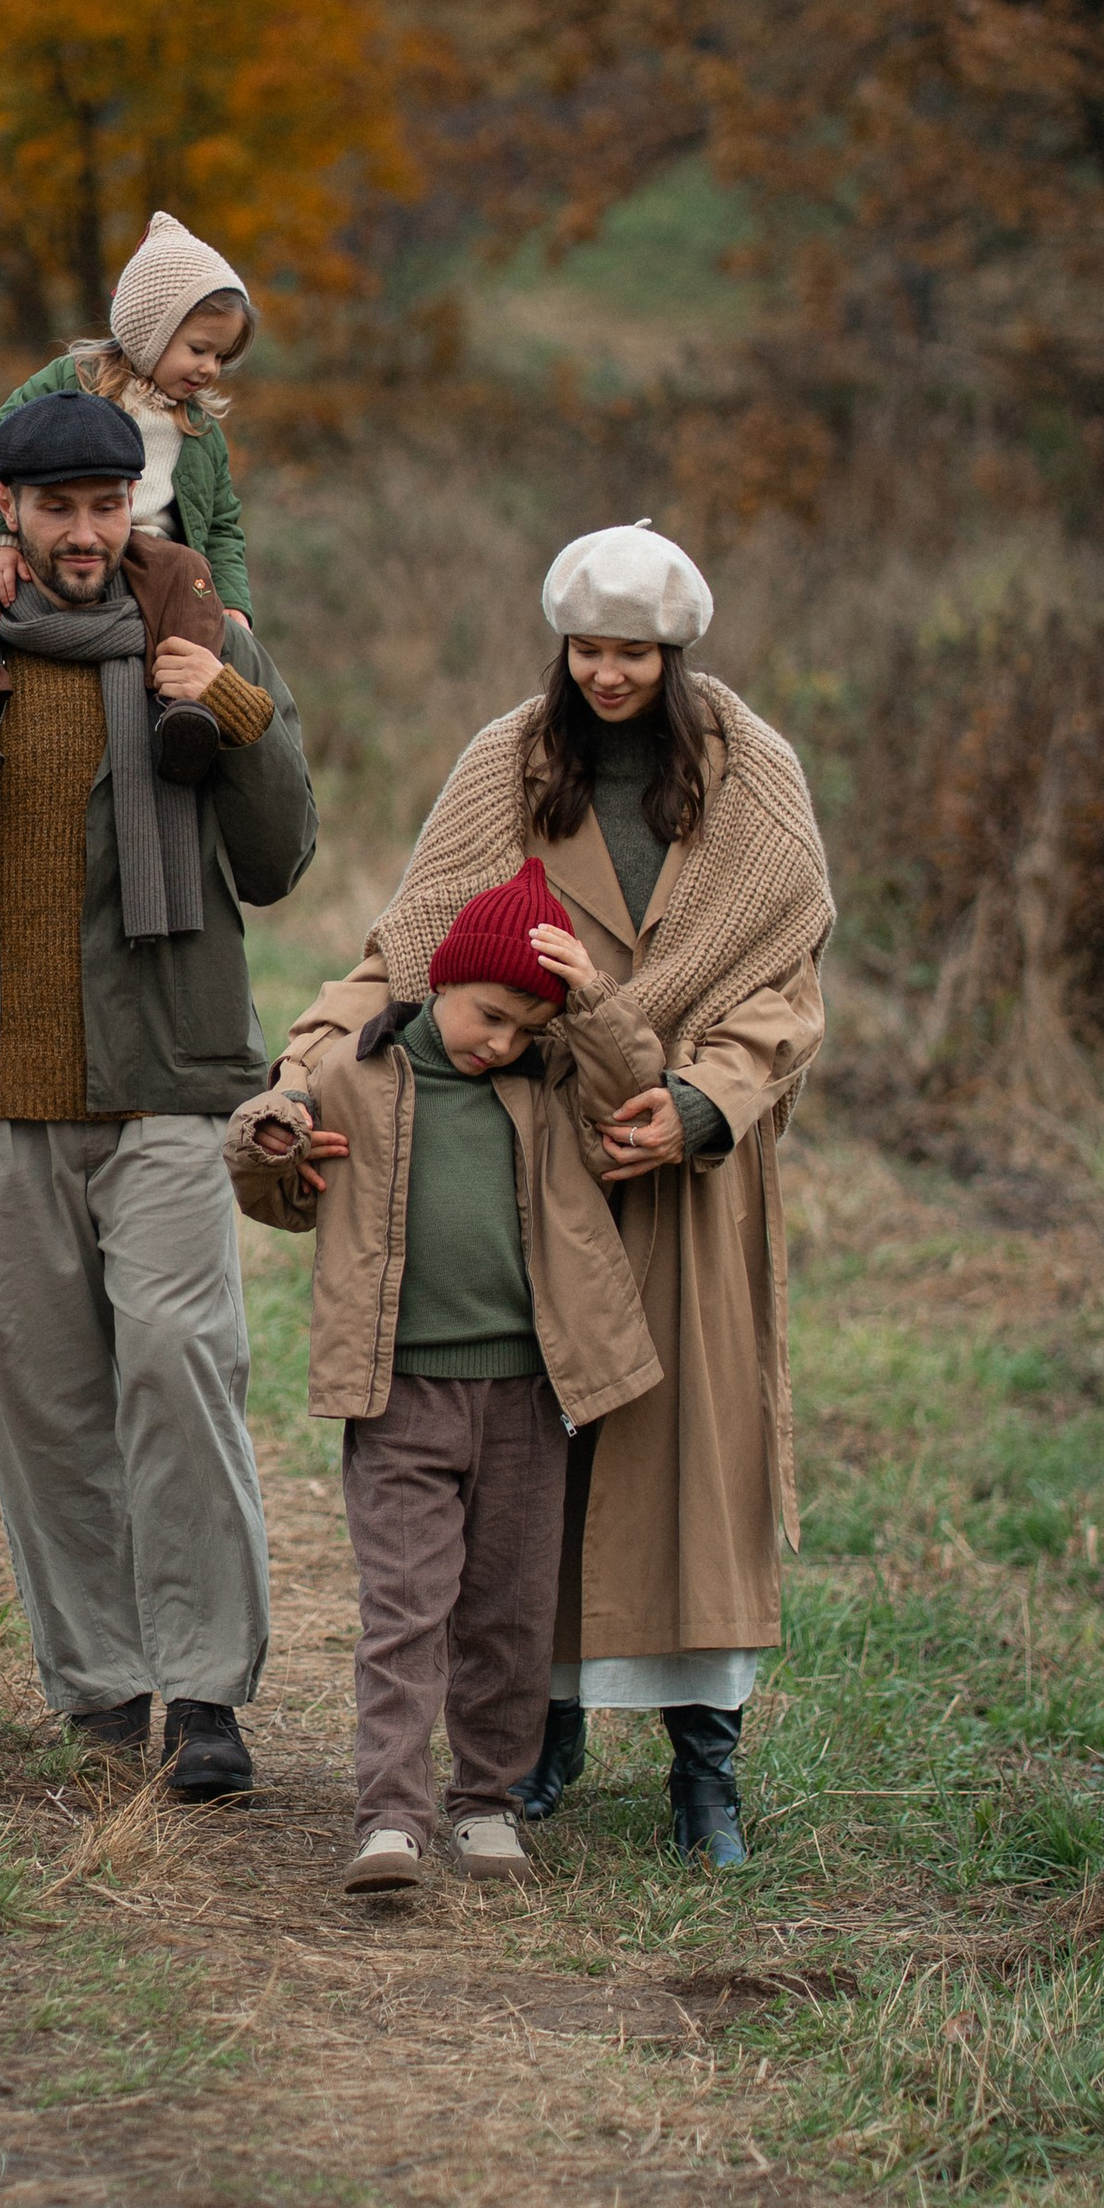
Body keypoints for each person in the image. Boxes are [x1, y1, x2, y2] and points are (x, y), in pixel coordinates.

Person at [296, 523, 832, 1869]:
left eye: (634, 653)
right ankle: (536, 1745)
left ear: (676, 653)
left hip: (687, 1183)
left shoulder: (751, 776)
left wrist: (703, 1103)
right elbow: (413, 951)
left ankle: (707, 1777)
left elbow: (784, 992)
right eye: (588, 649)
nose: (607, 674)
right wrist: (309, 1066)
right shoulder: (508, 764)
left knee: (691, 1476)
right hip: (537, 1169)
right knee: (539, 1482)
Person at [0, 389, 319, 1801]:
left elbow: (281, 854)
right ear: (12, 516)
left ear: (139, 509)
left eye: (111, 506)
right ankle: (104, 1691)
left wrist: (228, 709)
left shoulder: (207, 641)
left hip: (168, 1079)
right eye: (60, 509)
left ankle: (209, 1693)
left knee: (180, 1369)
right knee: (41, 1400)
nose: (89, 533)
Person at [224, 858, 662, 1896]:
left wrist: (589, 997)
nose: (500, 1041)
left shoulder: (547, 1084)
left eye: (524, 1026)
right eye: (489, 1014)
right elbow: (271, 1184)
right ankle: (390, 1817)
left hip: (525, 1396)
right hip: (400, 1396)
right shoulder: (358, 1075)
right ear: (440, 980)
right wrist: (270, 1142)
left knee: (507, 1611)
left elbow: (633, 1077)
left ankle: (487, 1804)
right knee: (405, 1608)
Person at [0, 213, 257, 801]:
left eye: (221, 357)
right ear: (149, 332)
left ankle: (179, 711)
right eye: (198, 349)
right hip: (44, 540)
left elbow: (222, 526)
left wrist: (234, 605)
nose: (209, 368)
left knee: (190, 574)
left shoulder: (198, 430)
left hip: (152, 552)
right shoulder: (72, 381)